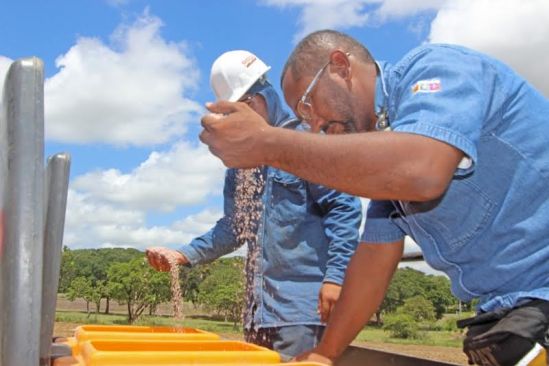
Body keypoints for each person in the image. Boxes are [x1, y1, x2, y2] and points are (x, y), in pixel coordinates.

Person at [199, 31, 549, 366]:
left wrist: (270, 144)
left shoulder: (438, 66)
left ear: (340, 66)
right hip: (511, 310)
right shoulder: (388, 171)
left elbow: (422, 170)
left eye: (309, 106)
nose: (316, 126)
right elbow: (373, 261)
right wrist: (326, 352)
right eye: (304, 118)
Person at [146, 49, 362, 359]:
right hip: (259, 311)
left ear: (261, 98)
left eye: (245, 105)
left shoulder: (305, 141)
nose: (241, 117)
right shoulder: (241, 161)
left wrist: (335, 277)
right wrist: (182, 254)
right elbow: (233, 228)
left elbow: (344, 209)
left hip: (301, 309)